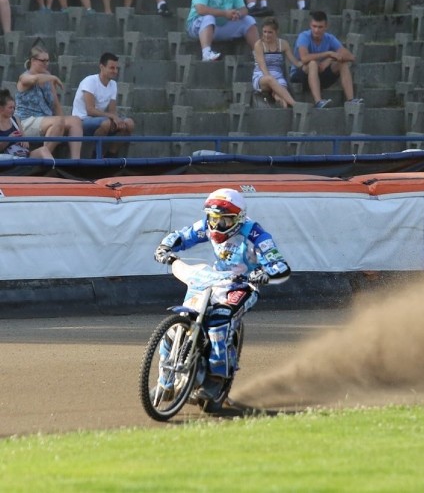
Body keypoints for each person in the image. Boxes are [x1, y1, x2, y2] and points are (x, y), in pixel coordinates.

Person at [153, 188, 291, 401]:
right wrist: (165, 247)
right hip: (213, 280)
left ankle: (216, 380)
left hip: (243, 285)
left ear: (238, 218)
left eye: (224, 221)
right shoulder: (207, 225)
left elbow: (279, 264)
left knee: (220, 321)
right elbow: (183, 236)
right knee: (176, 326)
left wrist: (265, 274)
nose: (217, 225)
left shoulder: (255, 233)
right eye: (213, 218)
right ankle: (165, 383)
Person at [15, 45, 83, 159]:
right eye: (42, 60)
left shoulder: (48, 79)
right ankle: (44, 157)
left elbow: (56, 105)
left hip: (46, 119)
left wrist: (64, 122)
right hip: (27, 120)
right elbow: (34, 79)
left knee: (75, 120)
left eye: (47, 60)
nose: (46, 63)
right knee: (57, 121)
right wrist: (53, 77)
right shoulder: (25, 77)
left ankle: (75, 161)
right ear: (33, 60)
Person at [186, 0, 259, 62]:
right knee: (208, 17)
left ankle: (258, 54)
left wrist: (238, 14)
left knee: (249, 20)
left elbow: (244, 9)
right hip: (198, 27)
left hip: (220, 26)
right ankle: (206, 53)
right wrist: (225, 13)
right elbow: (201, 9)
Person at [291, 10, 360, 109]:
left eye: (320, 27)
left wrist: (329, 59)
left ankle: (351, 100)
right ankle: (318, 101)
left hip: (320, 74)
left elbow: (350, 56)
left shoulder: (329, 38)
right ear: (310, 25)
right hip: (301, 74)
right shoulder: (304, 36)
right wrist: (328, 53)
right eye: (314, 26)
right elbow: (304, 58)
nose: (316, 30)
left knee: (342, 63)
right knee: (312, 63)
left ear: (326, 27)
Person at [71, 52, 135, 157]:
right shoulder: (89, 81)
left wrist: (118, 120)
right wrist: (112, 117)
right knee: (106, 123)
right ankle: (95, 154)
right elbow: (90, 110)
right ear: (102, 67)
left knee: (129, 124)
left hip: (100, 119)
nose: (115, 71)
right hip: (82, 120)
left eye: (116, 68)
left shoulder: (113, 84)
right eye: (112, 68)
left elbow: (112, 110)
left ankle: (111, 154)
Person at [252, 17, 300, 108]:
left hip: (278, 77)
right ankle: (296, 104)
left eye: (270, 32)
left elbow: (294, 62)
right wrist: (273, 82)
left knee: (281, 97)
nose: (266, 35)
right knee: (271, 80)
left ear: (276, 31)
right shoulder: (259, 45)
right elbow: (262, 66)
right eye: (264, 32)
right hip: (262, 76)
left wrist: (305, 64)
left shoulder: (283, 44)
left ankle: (284, 109)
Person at [0, 89, 31, 158]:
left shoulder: (15, 119)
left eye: (14, 108)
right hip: (5, 157)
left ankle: (53, 168)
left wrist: (23, 141)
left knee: (43, 150)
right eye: (10, 108)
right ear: (1, 108)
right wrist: (9, 139)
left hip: (20, 153)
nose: (13, 110)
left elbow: (26, 142)